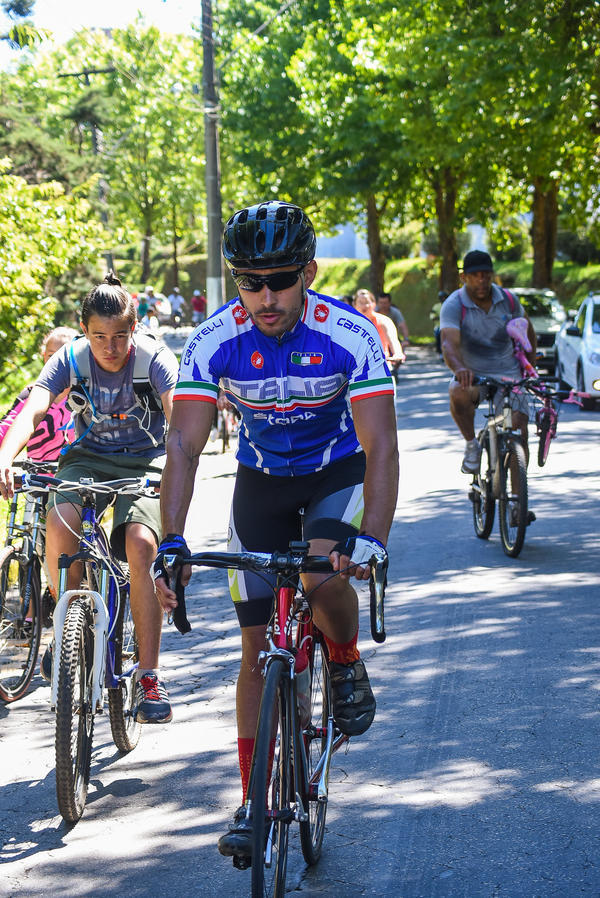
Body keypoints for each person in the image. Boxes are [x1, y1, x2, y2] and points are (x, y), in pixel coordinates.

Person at [152, 200, 399, 863]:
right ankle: (253, 801)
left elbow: (380, 444)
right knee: (257, 643)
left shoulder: (351, 333)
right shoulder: (213, 340)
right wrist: (171, 539)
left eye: (281, 280)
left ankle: (344, 661)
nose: (264, 297)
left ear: (310, 272)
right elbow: (182, 444)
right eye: (249, 281)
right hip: (260, 482)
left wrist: (372, 536)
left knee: (321, 574)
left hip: (335, 472)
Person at [0, 272, 179, 723]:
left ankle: (150, 675)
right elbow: (36, 405)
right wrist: (6, 454)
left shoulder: (154, 357)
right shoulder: (72, 358)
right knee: (60, 524)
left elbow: (180, 419)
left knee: (140, 544)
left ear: (133, 329)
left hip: (146, 460)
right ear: (85, 330)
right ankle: (71, 631)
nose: (110, 347)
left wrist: (180, 472)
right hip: (88, 458)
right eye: (99, 336)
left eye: (120, 336)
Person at [439, 249, 537, 476]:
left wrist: (530, 366)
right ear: (464, 277)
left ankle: (516, 501)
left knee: (520, 429)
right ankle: (472, 444)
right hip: (474, 375)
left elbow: (527, 329)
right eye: (475, 275)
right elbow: (449, 344)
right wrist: (460, 368)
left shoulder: (509, 300)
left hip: (509, 372)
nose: (481, 280)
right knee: (457, 392)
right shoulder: (454, 305)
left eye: (486, 275)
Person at [0, 326, 78, 461]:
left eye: (64, 356)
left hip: (76, 479)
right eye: (51, 356)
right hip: (37, 479)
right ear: (44, 357)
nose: (58, 362)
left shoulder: (85, 396)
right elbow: (5, 428)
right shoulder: (30, 395)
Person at [353, 288, 405, 376]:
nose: (364, 306)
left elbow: (393, 339)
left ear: (374, 304)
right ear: (354, 305)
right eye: (361, 303)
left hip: (380, 365)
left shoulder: (383, 321)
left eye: (367, 302)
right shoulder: (351, 323)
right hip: (356, 369)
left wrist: (397, 353)